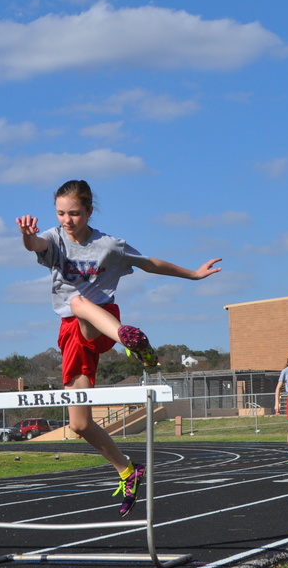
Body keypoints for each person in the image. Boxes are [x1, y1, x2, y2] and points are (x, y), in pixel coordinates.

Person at [16, 179, 222, 517]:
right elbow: (34, 244)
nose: (68, 221)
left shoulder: (109, 246)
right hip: (71, 334)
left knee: (79, 301)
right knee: (79, 423)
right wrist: (26, 235)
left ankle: (127, 338)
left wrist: (194, 275)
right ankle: (127, 469)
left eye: (75, 214)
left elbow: (148, 263)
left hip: (104, 321)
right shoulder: (53, 239)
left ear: (89, 211)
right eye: (61, 214)